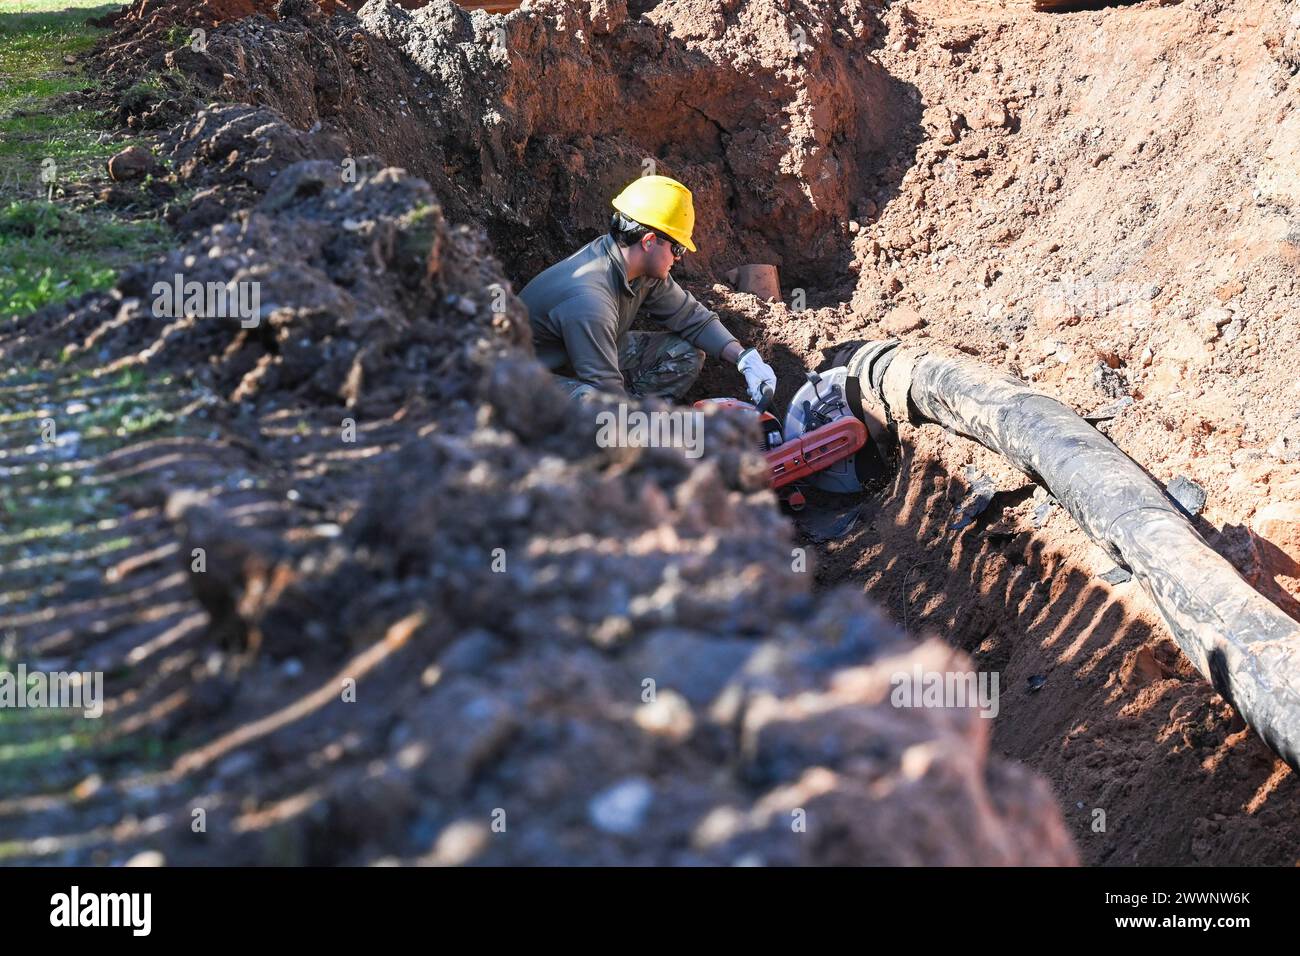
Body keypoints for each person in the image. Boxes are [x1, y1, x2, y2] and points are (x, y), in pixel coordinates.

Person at [519, 175, 778, 404]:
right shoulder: (589, 300)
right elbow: (606, 392)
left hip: (575, 362)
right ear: (649, 241)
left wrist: (745, 359)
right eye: (678, 248)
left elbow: (691, 318)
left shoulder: (638, 270)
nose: (679, 257)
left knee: (684, 354)